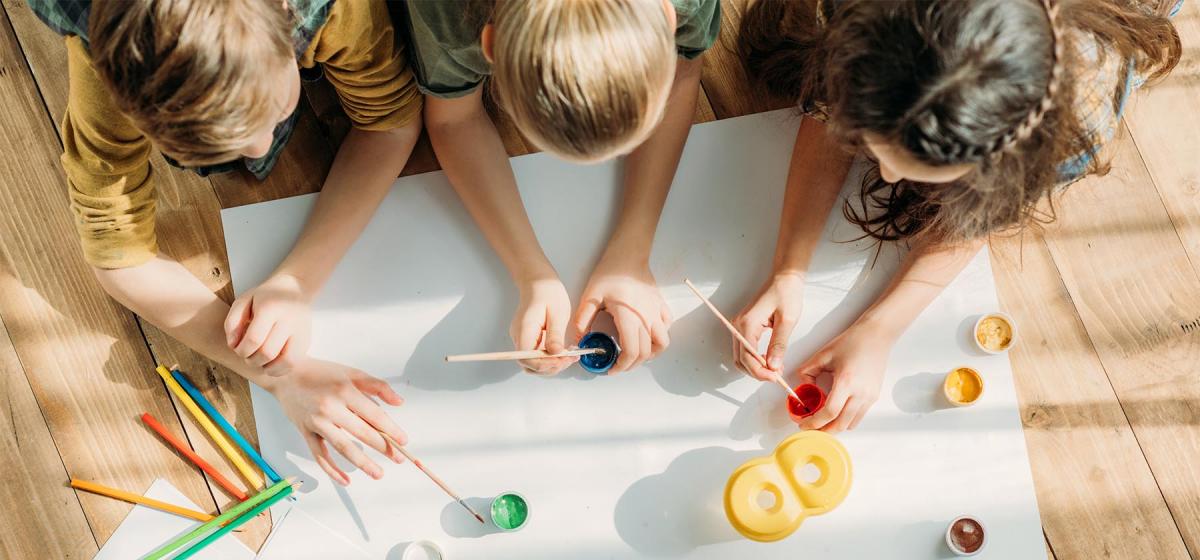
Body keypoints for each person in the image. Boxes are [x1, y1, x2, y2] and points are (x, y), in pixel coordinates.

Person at [734, 0, 1181, 432]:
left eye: (912, 165)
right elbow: (829, 106)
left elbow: (980, 217)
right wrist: (788, 269)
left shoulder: (1078, 114)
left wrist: (881, 329)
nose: (886, 176)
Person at [30, 0, 424, 485]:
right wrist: (279, 375)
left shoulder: (337, 11)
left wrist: (298, 283)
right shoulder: (105, 70)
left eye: (277, 110)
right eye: (218, 147)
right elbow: (116, 252)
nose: (261, 150)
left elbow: (390, 121)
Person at [400, 0, 720, 374]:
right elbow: (454, 120)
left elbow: (683, 72)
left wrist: (632, 249)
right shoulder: (445, 13)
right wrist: (529, 271)